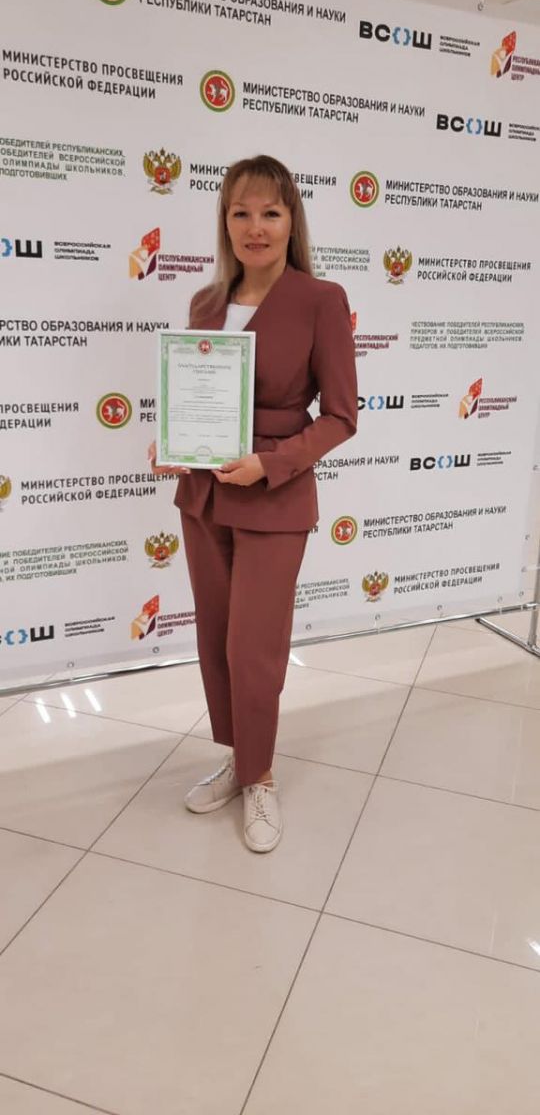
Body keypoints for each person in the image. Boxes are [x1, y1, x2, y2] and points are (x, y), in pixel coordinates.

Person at [150, 154, 357, 853]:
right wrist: (173, 443)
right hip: (203, 496)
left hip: (274, 496)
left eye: (270, 212)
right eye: (241, 212)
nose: (255, 226)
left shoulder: (320, 299)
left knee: (254, 648)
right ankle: (240, 760)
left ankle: (261, 777)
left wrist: (271, 463)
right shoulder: (206, 303)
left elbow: (341, 416)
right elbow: (196, 398)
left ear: (291, 220)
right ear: (225, 221)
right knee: (216, 640)